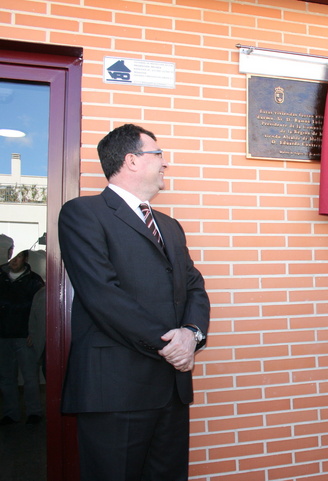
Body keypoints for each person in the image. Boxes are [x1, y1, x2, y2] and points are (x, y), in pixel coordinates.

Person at [58, 123, 211, 480]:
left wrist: (191, 333)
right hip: (114, 391)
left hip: (171, 392)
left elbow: (194, 287)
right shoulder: (83, 214)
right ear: (131, 160)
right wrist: (171, 345)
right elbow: (103, 295)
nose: (165, 164)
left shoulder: (170, 226)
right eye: (158, 154)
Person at [0, 249, 45, 425]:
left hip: (25, 336)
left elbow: (40, 311)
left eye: (18, 257)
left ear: (25, 259)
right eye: (12, 256)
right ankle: (11, 414)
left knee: (30, 377)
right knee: (6, 378)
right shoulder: (1, 277)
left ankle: (34, 412)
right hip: (3, 335)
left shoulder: (34, 281)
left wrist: (34, 332)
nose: (14, 260)